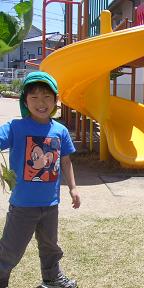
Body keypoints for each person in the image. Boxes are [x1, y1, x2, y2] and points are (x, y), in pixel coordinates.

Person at [0, 71, 80, 288]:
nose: (41, 102)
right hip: (23, 205)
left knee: (49, 246)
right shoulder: (15, 128)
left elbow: (65, 162)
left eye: (46, 97)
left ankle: (52, 278)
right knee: (11, 248)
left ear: (55, 100)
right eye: (34, 97)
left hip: (50, 204)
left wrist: (73, 188)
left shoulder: (60, 130)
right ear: (25, 101)